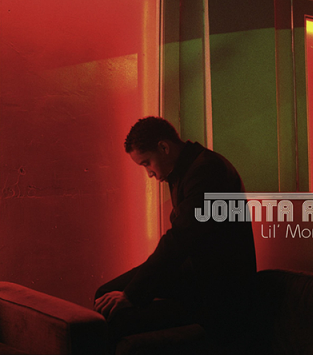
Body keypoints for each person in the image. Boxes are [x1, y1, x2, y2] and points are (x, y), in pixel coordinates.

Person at [94, 116, 257, 349]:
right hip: (194, 274)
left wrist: (131, 294)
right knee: (105, 295)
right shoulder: (187, 169)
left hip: (216, 291)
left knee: (114, 312)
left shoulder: (207, 170)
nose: (149, 173)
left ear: (164, 147)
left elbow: (180, 239)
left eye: (147, 163)